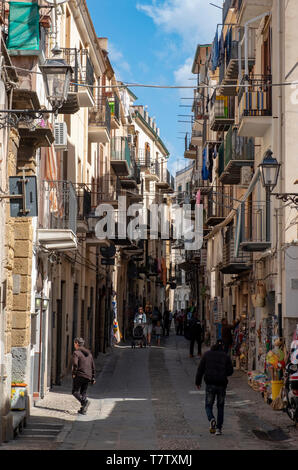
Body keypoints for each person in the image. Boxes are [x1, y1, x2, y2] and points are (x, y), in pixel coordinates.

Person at [195, 339, 233, 436]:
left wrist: (198, 382)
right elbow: (230, 371)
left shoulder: (207, 355)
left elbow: (200, 369)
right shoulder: (226, 356)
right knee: (220, 407)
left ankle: (211, 419)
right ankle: (218, 429)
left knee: (208, 405)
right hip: (221, 384)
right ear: (222, 348)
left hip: (210, 383)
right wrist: (223, 372)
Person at [72, 337, 96, 415]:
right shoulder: (89, 354)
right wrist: (93, 377)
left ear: (77, 344)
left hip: (80, 374)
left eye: (74, 343)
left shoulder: (76, 353)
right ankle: (83, 410)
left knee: (75, 391)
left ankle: (85, 402)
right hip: (88, 376)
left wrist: (74, 373)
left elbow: (75, 364)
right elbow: (93, 366)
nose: (74, 345)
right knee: (83, 392)